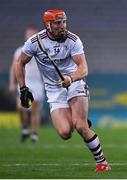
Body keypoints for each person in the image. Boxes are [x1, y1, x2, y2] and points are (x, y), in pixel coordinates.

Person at [15, 9, 110, 171]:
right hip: (53, 90)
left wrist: (70, 79)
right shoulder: (35, 42)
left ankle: (102, 162)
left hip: (75, 83)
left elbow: (83, 68)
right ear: (48, 25)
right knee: (65, 133)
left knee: (80, 126)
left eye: (64, 22)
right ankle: (76, 117)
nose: (62, 26)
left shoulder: (73, 40)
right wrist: (23, 88)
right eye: (58, 23)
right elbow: (19, 63)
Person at [9, 26, 45, 143]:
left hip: (37, 82)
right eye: (28, 34)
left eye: (32, 34)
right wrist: (11, 83)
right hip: (24, 81)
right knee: (21, 107)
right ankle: (25, 129)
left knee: (34, 108)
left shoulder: (41, 49)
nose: (30, 36)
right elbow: (14, 67)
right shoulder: (19, 51)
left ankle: (34, 134)